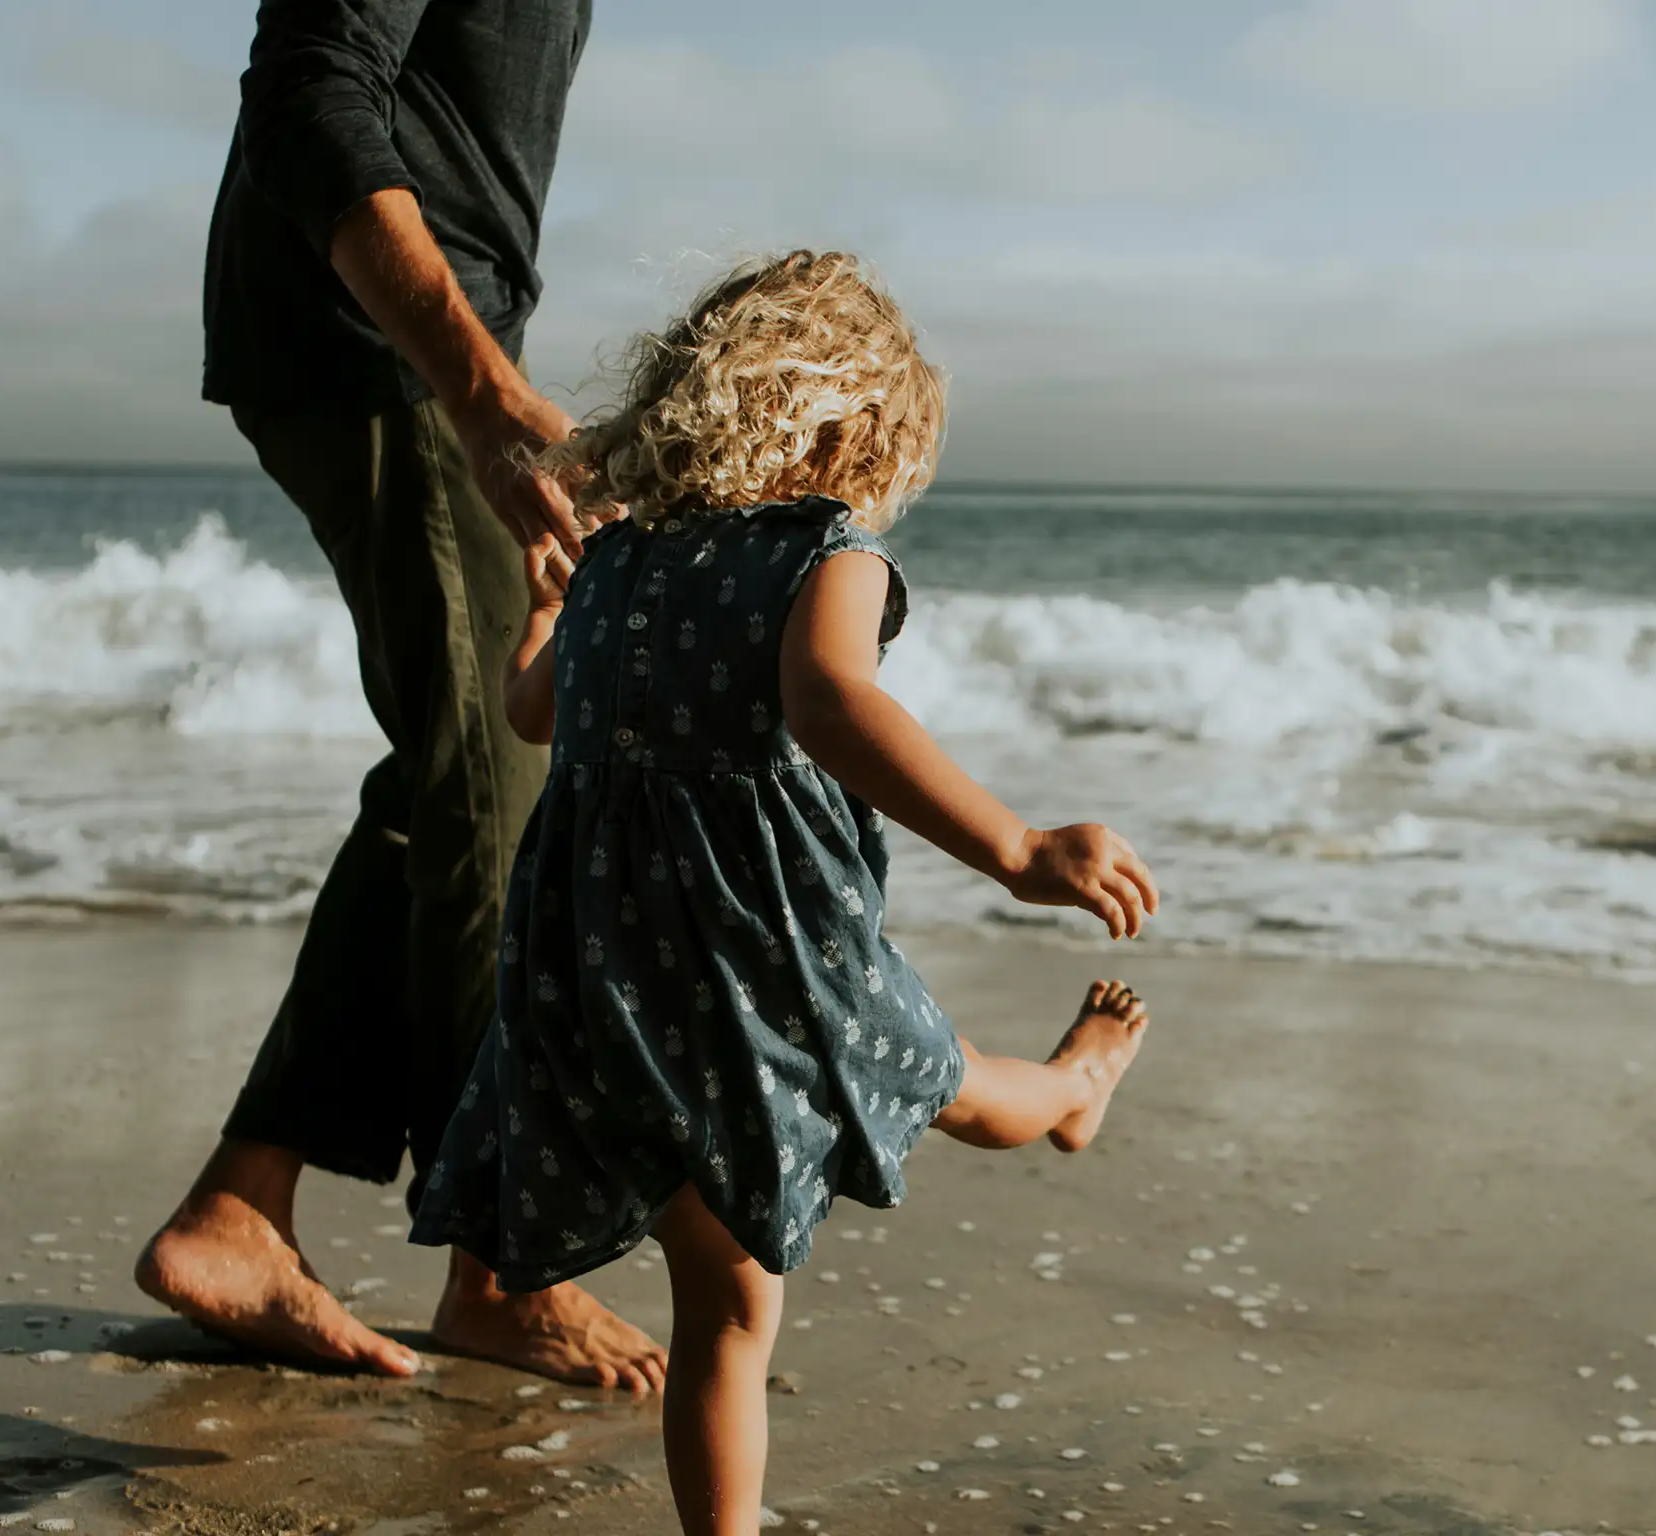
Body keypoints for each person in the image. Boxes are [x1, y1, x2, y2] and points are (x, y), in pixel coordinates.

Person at [408, 250, 1160, 1536]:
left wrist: (543, 615)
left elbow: (532, 714)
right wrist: (1020, 851)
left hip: (613, 981)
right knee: (947, 1084)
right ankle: (1078, 1090)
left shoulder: (615, 562)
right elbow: (833, 703)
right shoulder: (826, 553)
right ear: (854, 428)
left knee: (723, 1306)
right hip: (772, 956)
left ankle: (1074, 1096)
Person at [136, 0, 667, 1391]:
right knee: (503, 789)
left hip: (410, 343)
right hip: (381, 348)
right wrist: (480, 388)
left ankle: (241, 1207)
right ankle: (499, 1267)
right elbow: (310, 91)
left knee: (453, 780)